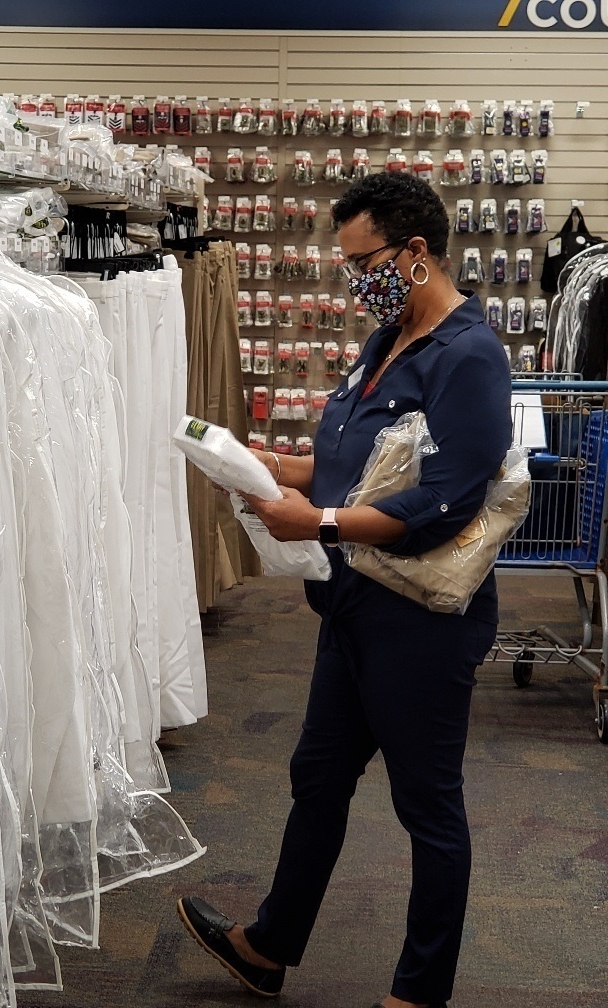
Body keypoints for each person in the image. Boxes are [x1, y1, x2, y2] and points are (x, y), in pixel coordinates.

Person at [177, 172, 513, 1008]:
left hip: (422, 621)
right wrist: (255, 466)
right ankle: (268, 946)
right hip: (354, 603)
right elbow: (349, 467)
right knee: (318, 777)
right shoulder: (385, 340)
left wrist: (317, 521)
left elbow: (445, 499)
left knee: (428, 808)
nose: (351, 279)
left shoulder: (467, 354)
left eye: (362, 260)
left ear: (414, 254)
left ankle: (419, 992)